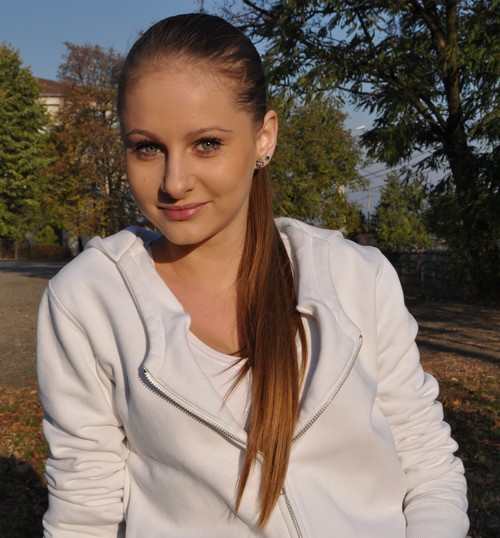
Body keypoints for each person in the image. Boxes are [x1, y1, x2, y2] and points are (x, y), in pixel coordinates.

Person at [37, 13, 469, 538]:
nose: (174, 181)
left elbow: (426, 462)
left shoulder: (358, 278)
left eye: (206, 143)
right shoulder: (87, 300)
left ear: (264, 137)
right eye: (147, 147)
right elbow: (85, 512)